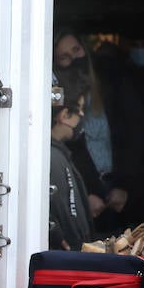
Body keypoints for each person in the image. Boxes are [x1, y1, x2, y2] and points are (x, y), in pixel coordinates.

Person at [52, 28, 144, 230]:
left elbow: (131, 136)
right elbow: (70, 149)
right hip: (84, 192)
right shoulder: (59, 103)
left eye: (76, 50)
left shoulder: (111, 87)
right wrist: (86, 192)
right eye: (64, 57)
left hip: (117, 187)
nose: (74, 58)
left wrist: (123, 185)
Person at [50, 72, 94, 250]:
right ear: (65, 115)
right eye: (81, 109)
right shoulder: (53, 158)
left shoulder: (55, 154)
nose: (82, 115)